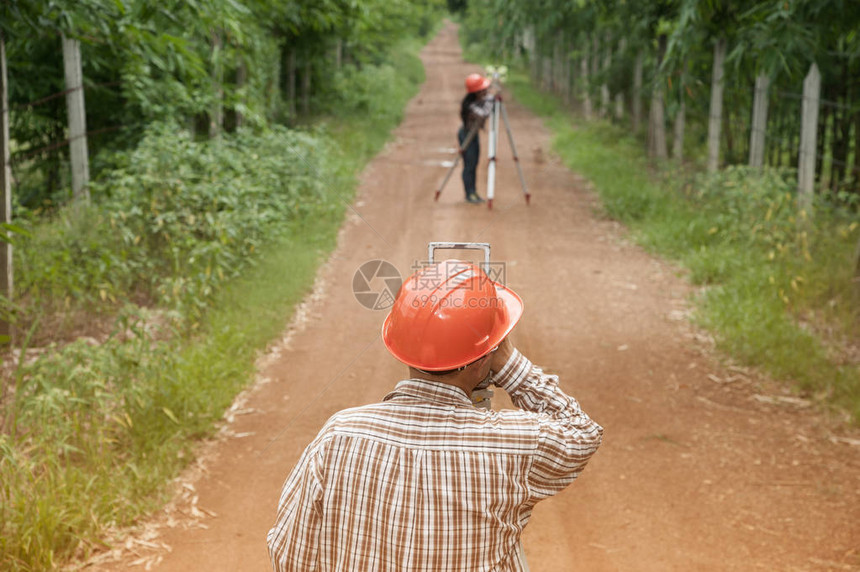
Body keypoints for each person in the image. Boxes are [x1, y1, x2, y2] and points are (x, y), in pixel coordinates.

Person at [267, 260, 603, 571]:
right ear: (486, 356)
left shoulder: (338, 436)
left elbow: (290, 554)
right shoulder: (513, 445)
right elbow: (581, 432)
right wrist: (507, 362)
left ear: (402, 345)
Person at [459, 74, 495, 204]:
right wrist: (492, 101)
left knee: (474, 164)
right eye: (483, 89)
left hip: (474, 135)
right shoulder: (470, 106)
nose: (486, 91)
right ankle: (470, 193)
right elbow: (484, 114)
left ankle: (473, 192)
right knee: (469, 164)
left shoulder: (480, 100)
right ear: (476, 92)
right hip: (467, 135)